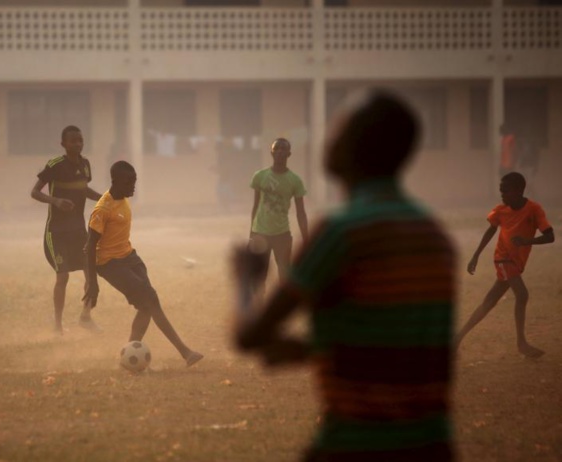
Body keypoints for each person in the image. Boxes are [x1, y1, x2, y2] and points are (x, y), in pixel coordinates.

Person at [232, 91, 456, 461]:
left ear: (354, 147)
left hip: (354, 446)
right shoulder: (434, 236)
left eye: (336, 128)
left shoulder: (341, 232)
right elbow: (393, 339)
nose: (327, 137)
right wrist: (314, 349)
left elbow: (250, 336)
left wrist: (243, 278)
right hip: (433, 447)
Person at [83, 161, 203, 367]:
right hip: (111, 264)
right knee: (151, 301)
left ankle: (128, 355)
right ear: (116, 181)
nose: (134, 186)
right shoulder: (103, 209)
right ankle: (185, 352)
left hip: (130, 258)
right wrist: (92, 283)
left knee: (146, 306)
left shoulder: (122, 199)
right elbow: (89, 247)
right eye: (130, 182)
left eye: (135, 181)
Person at [454, 172, 554, 358]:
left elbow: (550, 236)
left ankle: (456, 339)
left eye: (505, 191)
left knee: (489, 302)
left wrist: (526, 241)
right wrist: (475, 255)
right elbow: (490, 231)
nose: (501, 194)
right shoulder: (500, 211)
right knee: (522, 295)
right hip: (503, 259)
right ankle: (521, 343)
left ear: (518, 191)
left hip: (516, 262)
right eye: (501, 191)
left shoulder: (534, 209)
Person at [31, 125, 102, 335]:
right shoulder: (55, 165)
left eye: (80, 140)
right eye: (73, 141)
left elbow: (84, 189)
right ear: (63, 144)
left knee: (91, 274)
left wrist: (104, 198)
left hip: (79, 232)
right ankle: (58, 326)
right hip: (57, 232)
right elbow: (34, 192)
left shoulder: (85, 165)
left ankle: (86, 317)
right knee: (63, 278)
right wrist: (56, 201)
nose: (77, 144)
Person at [248, 137, 308, 292]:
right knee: (259, 276)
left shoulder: (295, 181)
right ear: (271, 153)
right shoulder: (259, 176)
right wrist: (251, 233)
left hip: (282, 235)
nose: (280, 152)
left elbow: (300, 212)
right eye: (277, 149)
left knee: (285, 276)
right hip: (260, 233)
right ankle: (258, 310)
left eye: (284, 149)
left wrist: (307, 239)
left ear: (289, 154)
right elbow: (255, 205)